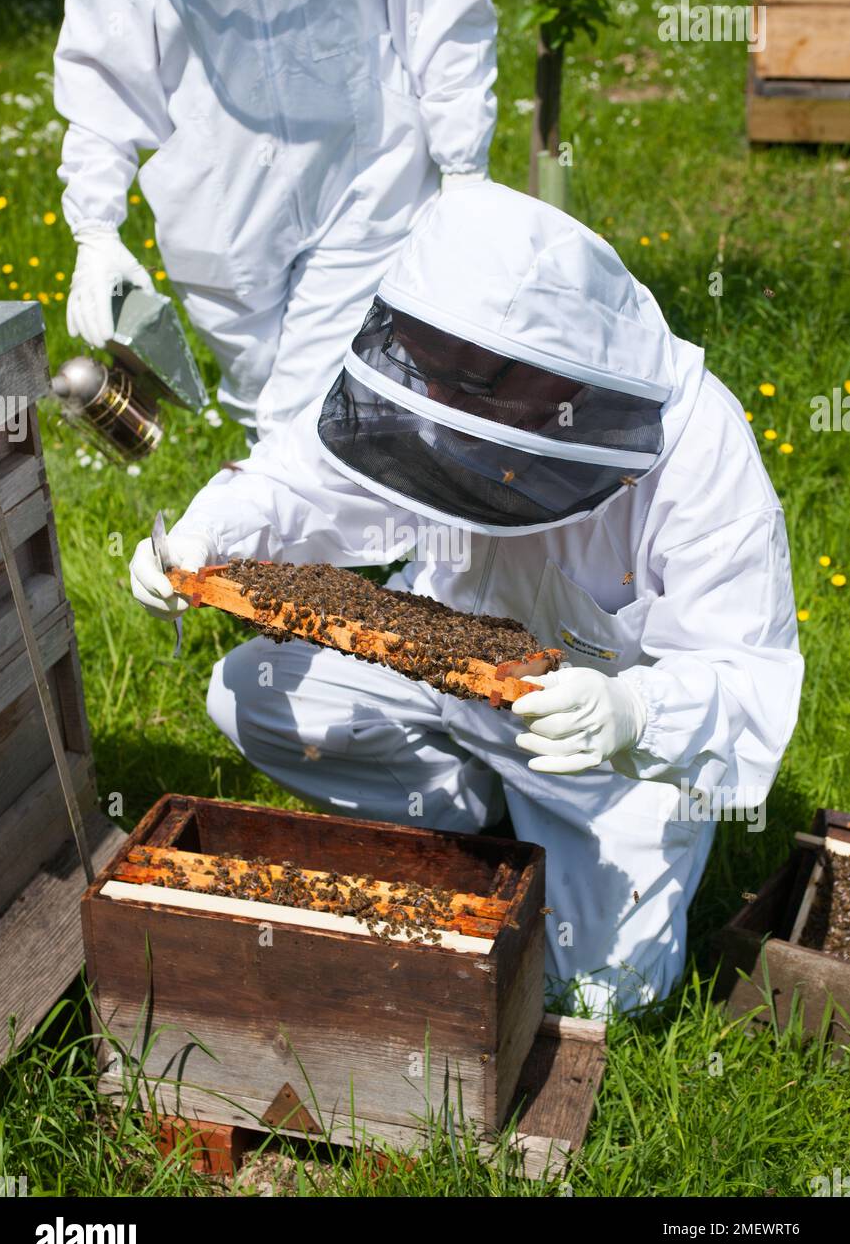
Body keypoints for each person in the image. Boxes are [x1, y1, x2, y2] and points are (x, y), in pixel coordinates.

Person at [129, 182, 803, 1014]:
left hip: (595, 756)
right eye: (427, 368)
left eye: (470, 384)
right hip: (440, 679)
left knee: (597, 998)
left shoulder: (705, 455)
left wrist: (635, 715)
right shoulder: (436, 379)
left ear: (565, 379)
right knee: (250, 695)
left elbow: (746, 675)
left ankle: (543, 830)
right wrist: (204, 535)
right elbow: (302, 482)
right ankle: (466, 806)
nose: (440, 402)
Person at [54, 0, 497, 440]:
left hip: (367, 185)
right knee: (261, 411)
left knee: (314, 420)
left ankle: (260, 518)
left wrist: (464, 167)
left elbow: (441, 6)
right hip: (218, 210)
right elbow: (104, 68)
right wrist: (95, 229)